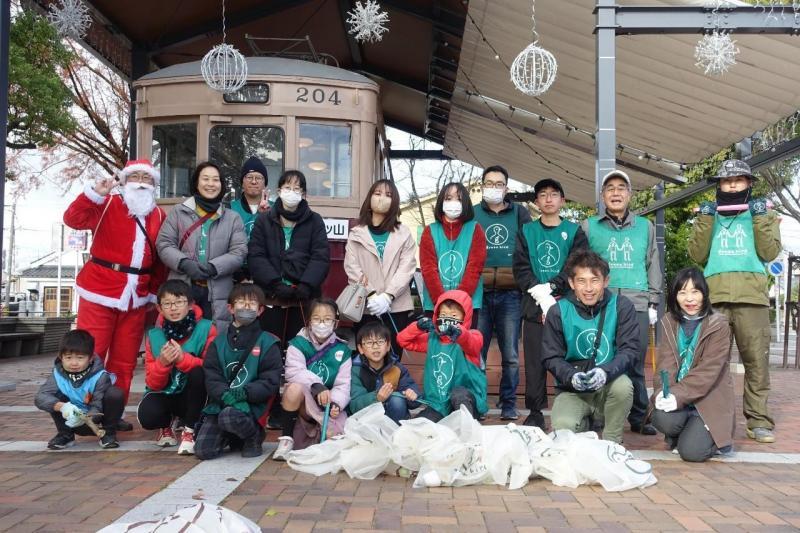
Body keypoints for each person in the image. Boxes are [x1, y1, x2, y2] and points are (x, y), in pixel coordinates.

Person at [63, 159, 167, 423]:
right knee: (91, 354)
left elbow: (160, 262)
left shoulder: (158, 215)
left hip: (137, 296)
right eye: (136, 176)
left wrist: (154, 293)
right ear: (124, 180)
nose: (142, 182)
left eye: (148, 177)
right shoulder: (106, 203)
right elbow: (72, 219)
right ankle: (82, 411)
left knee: (124, 360)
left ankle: (112, 413)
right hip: (99, 289)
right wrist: (93, 193)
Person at [688, 159, 782, 443]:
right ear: (719, 185)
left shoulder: (763, 214)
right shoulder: (709, 215)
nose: (731, 185)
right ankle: (712, 418)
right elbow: (696, 255)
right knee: (711, 363)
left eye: (738, 180)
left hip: (751, 299)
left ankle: (758, 421)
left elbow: (769, 252)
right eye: (726, 180)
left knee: (756, 363)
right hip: (715, 298)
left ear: (748, 183)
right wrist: (704, 219)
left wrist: (760, 218)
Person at [582, 170, 661, 436]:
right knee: (600, 357)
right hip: (601, 303)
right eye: (610, 189)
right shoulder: (589, 226)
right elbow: (581, 266)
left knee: (635, 362)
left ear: (629, 195)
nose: (615, 193)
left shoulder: (645, 227)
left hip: (636, 302)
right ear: (602, 196)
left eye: (621, 188)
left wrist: (653, 301)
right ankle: (597, 415)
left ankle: (639, 417)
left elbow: (652, 263)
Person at [513, 178, 588, 430]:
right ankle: (535, 410)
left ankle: (573, 406)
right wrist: (538, 292)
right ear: (536, 202)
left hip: (567, 307)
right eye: (542, 195)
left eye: (554, 194)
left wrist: (553, 287)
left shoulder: (574, 231)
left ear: (562, 200)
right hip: (534, 306)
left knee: (568, 357)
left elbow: (577, 265)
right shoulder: (526, 231)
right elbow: (520, 267)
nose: (548, 199)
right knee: (535, 361)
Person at [542, 250, 638, 444]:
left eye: (595, 280)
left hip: (607, 386)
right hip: (572, 391)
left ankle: (612, 442)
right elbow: (551, 356)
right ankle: (584, 423)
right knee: (564, 429)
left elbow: (630, 350)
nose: (588, 288)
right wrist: (571, 376)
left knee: (624, 387)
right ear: (571, 283)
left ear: (606, 281)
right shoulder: (558, 311)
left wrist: (605, 372)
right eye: (581, 281)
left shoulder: (621, 306)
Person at [649, 267, 735, 462]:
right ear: (675, 296)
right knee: (660, 416)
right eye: (682, 292)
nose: (690, 299)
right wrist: (663, 392)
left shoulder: (718, 324)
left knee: (692, 453)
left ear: (704, 294)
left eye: (695, 291)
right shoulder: (669, 320)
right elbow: (666, 365)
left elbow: (708, 372)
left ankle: (717, 438)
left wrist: (677, 395)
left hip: (708, 399)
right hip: (681, 397)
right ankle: (684, 432)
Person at [156, 161, 248, 334]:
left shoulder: (232, 218)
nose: (210, 184)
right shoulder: (178, 212)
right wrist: (183, 263)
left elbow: (239, 251)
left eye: (215, 180)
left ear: (221, 185)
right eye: (205, 179)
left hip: (218, 289)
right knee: (179, 338)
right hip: (183, 284)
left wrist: (215, 266)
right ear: (196, 183)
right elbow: (164, 243)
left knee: (212, 340)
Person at [472, 165, 532, 421]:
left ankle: (508, 403)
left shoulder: (520, 213)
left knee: (510, 355)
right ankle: (478, 401)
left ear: (506, 188)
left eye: (499, 184)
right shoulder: (471, 213)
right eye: (489, 183)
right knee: (477, 352)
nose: (493, 187)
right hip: (479, 293)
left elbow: (531, 247)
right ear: (481, 185)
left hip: (511, 294)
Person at [195, 284, 283, 460]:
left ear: (260, 310)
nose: (246, 307)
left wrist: (244, 393)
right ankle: (233, 436)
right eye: (241, 302)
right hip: (222, 403)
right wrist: (225, 395)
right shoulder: (217, 343)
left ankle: (253, 437)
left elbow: (270, 381)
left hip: (251, 406)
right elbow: (212, 376)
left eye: (252, 303)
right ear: (231, 308)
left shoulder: (269, 342)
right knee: (204, 451)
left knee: (229, 416)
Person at [248, 170, 330, 346]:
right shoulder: (264, 221)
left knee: (301, 349)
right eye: (287, 187)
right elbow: (256, 256)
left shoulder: (315, 221)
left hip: (303, 299)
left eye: (297, 188)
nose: (291, 192)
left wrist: (306, 285)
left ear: (303, 194)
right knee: (269, 348)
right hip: (270, 298)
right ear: (279, 191)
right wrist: (275, 284)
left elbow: (320, 257)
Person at [137, 280, 217, 456]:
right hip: (166, 393)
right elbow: (152, 383)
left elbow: (212, 368)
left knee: (198, 372)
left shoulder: (206, 328)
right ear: (160, 308)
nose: (173, 308)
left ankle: (189, 430)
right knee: (148, 416)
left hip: (194, 394)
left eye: (179, 302)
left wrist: (182, 359)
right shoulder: (154, 335)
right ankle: (165, 425)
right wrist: (162, 364)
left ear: (190, 305)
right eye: (167, 303)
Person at [344, 179, 417, 358]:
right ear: (369, 198)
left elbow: (407, 267)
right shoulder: (356, 233)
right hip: (365, 305)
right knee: (367, 354)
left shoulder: (404, 233)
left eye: (388, 195)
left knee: (392, 355)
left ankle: (392, 387)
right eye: (377, 193)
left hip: (396, 306)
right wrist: (371, 295)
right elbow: (352, 268)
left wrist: (388, 295)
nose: (382, 198)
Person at [272, 298, 352, 460]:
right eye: (317, 318)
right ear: (308, 322)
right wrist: (316, 386)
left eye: (327, 319)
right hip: (305, 401)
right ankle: (286, 440)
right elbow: (294, 372)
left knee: (338, 443)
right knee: (293, 388)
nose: (322, 323)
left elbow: (343, 384)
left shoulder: (342, 350)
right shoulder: (297, 344)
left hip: (328, 403)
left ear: (335, 323)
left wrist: (336, 403)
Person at [397, 290, 487, 422]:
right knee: (418, 427)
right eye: (443, 314)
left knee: (459, 394)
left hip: (465, 400)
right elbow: (402, 340)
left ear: (465, 316)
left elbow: (470, 342)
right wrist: (417, 327)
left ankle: (466, 428)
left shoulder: (473, 336)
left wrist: (459, 332)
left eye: (454, 315)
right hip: (438, 405)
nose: (448, 318)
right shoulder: (433, 339)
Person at [35, 330, 124, 449]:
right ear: (61, 357)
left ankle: (108, 433)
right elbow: (40, 397)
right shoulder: (57, 375)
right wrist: (63, 407)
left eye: (80, 358)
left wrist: (84, 419)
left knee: (115, 394)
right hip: (69, 419)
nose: (74, 363)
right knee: (53, 397)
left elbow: (97, 406)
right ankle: (65, 434)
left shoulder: (101, 376)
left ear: (91, 358)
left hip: (94, 420)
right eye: (68, 357)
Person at [420, 182, 486, 327]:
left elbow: (475, 267)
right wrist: (441, 301)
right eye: (448, 198)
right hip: (435, 304)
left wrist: (459, 301)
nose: (453, 203)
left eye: (459, 199)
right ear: (441, 202)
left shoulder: (475, 229)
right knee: (438, 347)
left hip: (467, 304)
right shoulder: (429, 231)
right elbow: (428, 268)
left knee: (464, 347)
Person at [348, 322, 421, 424]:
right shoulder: (355, 369)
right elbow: (355, 405)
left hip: (394, 417)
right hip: (366, 421)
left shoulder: (397, 368)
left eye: (380, 341)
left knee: (397, 399)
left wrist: (413, 394)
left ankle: (396, 434)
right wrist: (376, 398)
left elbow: (414, 399)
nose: (375, 346)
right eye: (369, 343)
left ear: (388, 346)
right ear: (360, 349)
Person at [231, 156, 271, 282]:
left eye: (258, 178)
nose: (254, 182)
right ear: (242, 182)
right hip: (236, 272)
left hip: (266, 271)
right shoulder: (230, 207)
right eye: (249, 177)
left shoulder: (275, 208)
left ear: (265, 182)